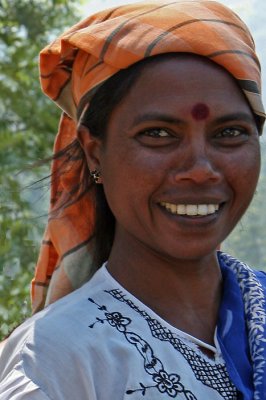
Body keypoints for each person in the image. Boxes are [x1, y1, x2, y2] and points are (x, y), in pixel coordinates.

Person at [0, 0, 265, 398]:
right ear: (94, 151)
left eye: (229, 133)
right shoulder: (54, 361)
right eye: (158, 134)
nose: (201, 168)